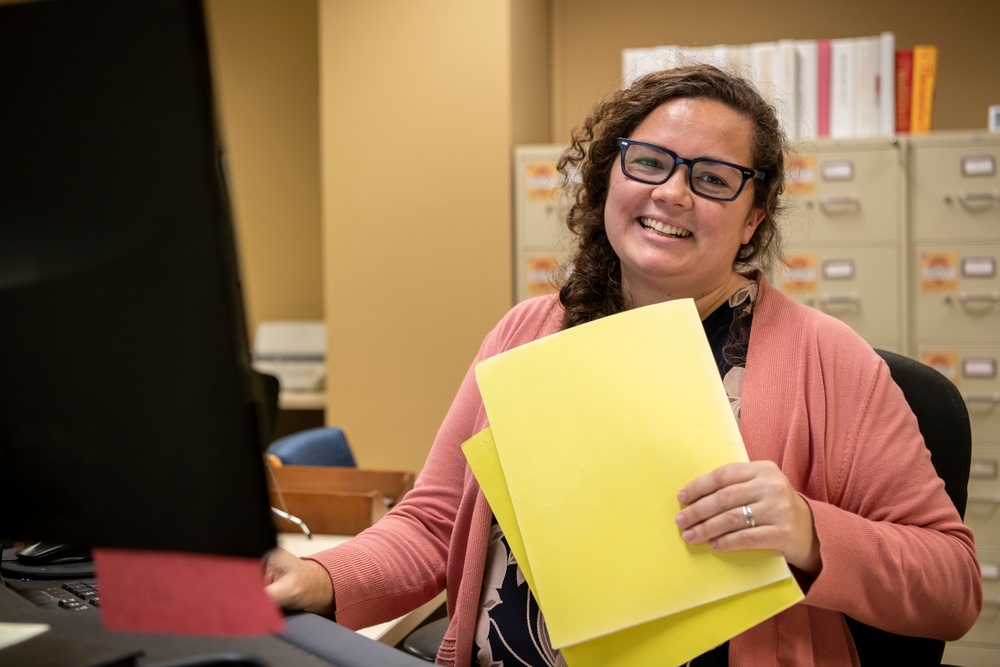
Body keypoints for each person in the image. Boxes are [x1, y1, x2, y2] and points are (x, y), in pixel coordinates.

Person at [263, 64, 982, 666]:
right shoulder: (527, 332)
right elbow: (434, 523)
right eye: (650, 162)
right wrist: (318, 574)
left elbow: (952, 584)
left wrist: (811, 530)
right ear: (611, 177)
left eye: (713, 178)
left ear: (754, 217)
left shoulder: (829, 362)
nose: (672, 192)